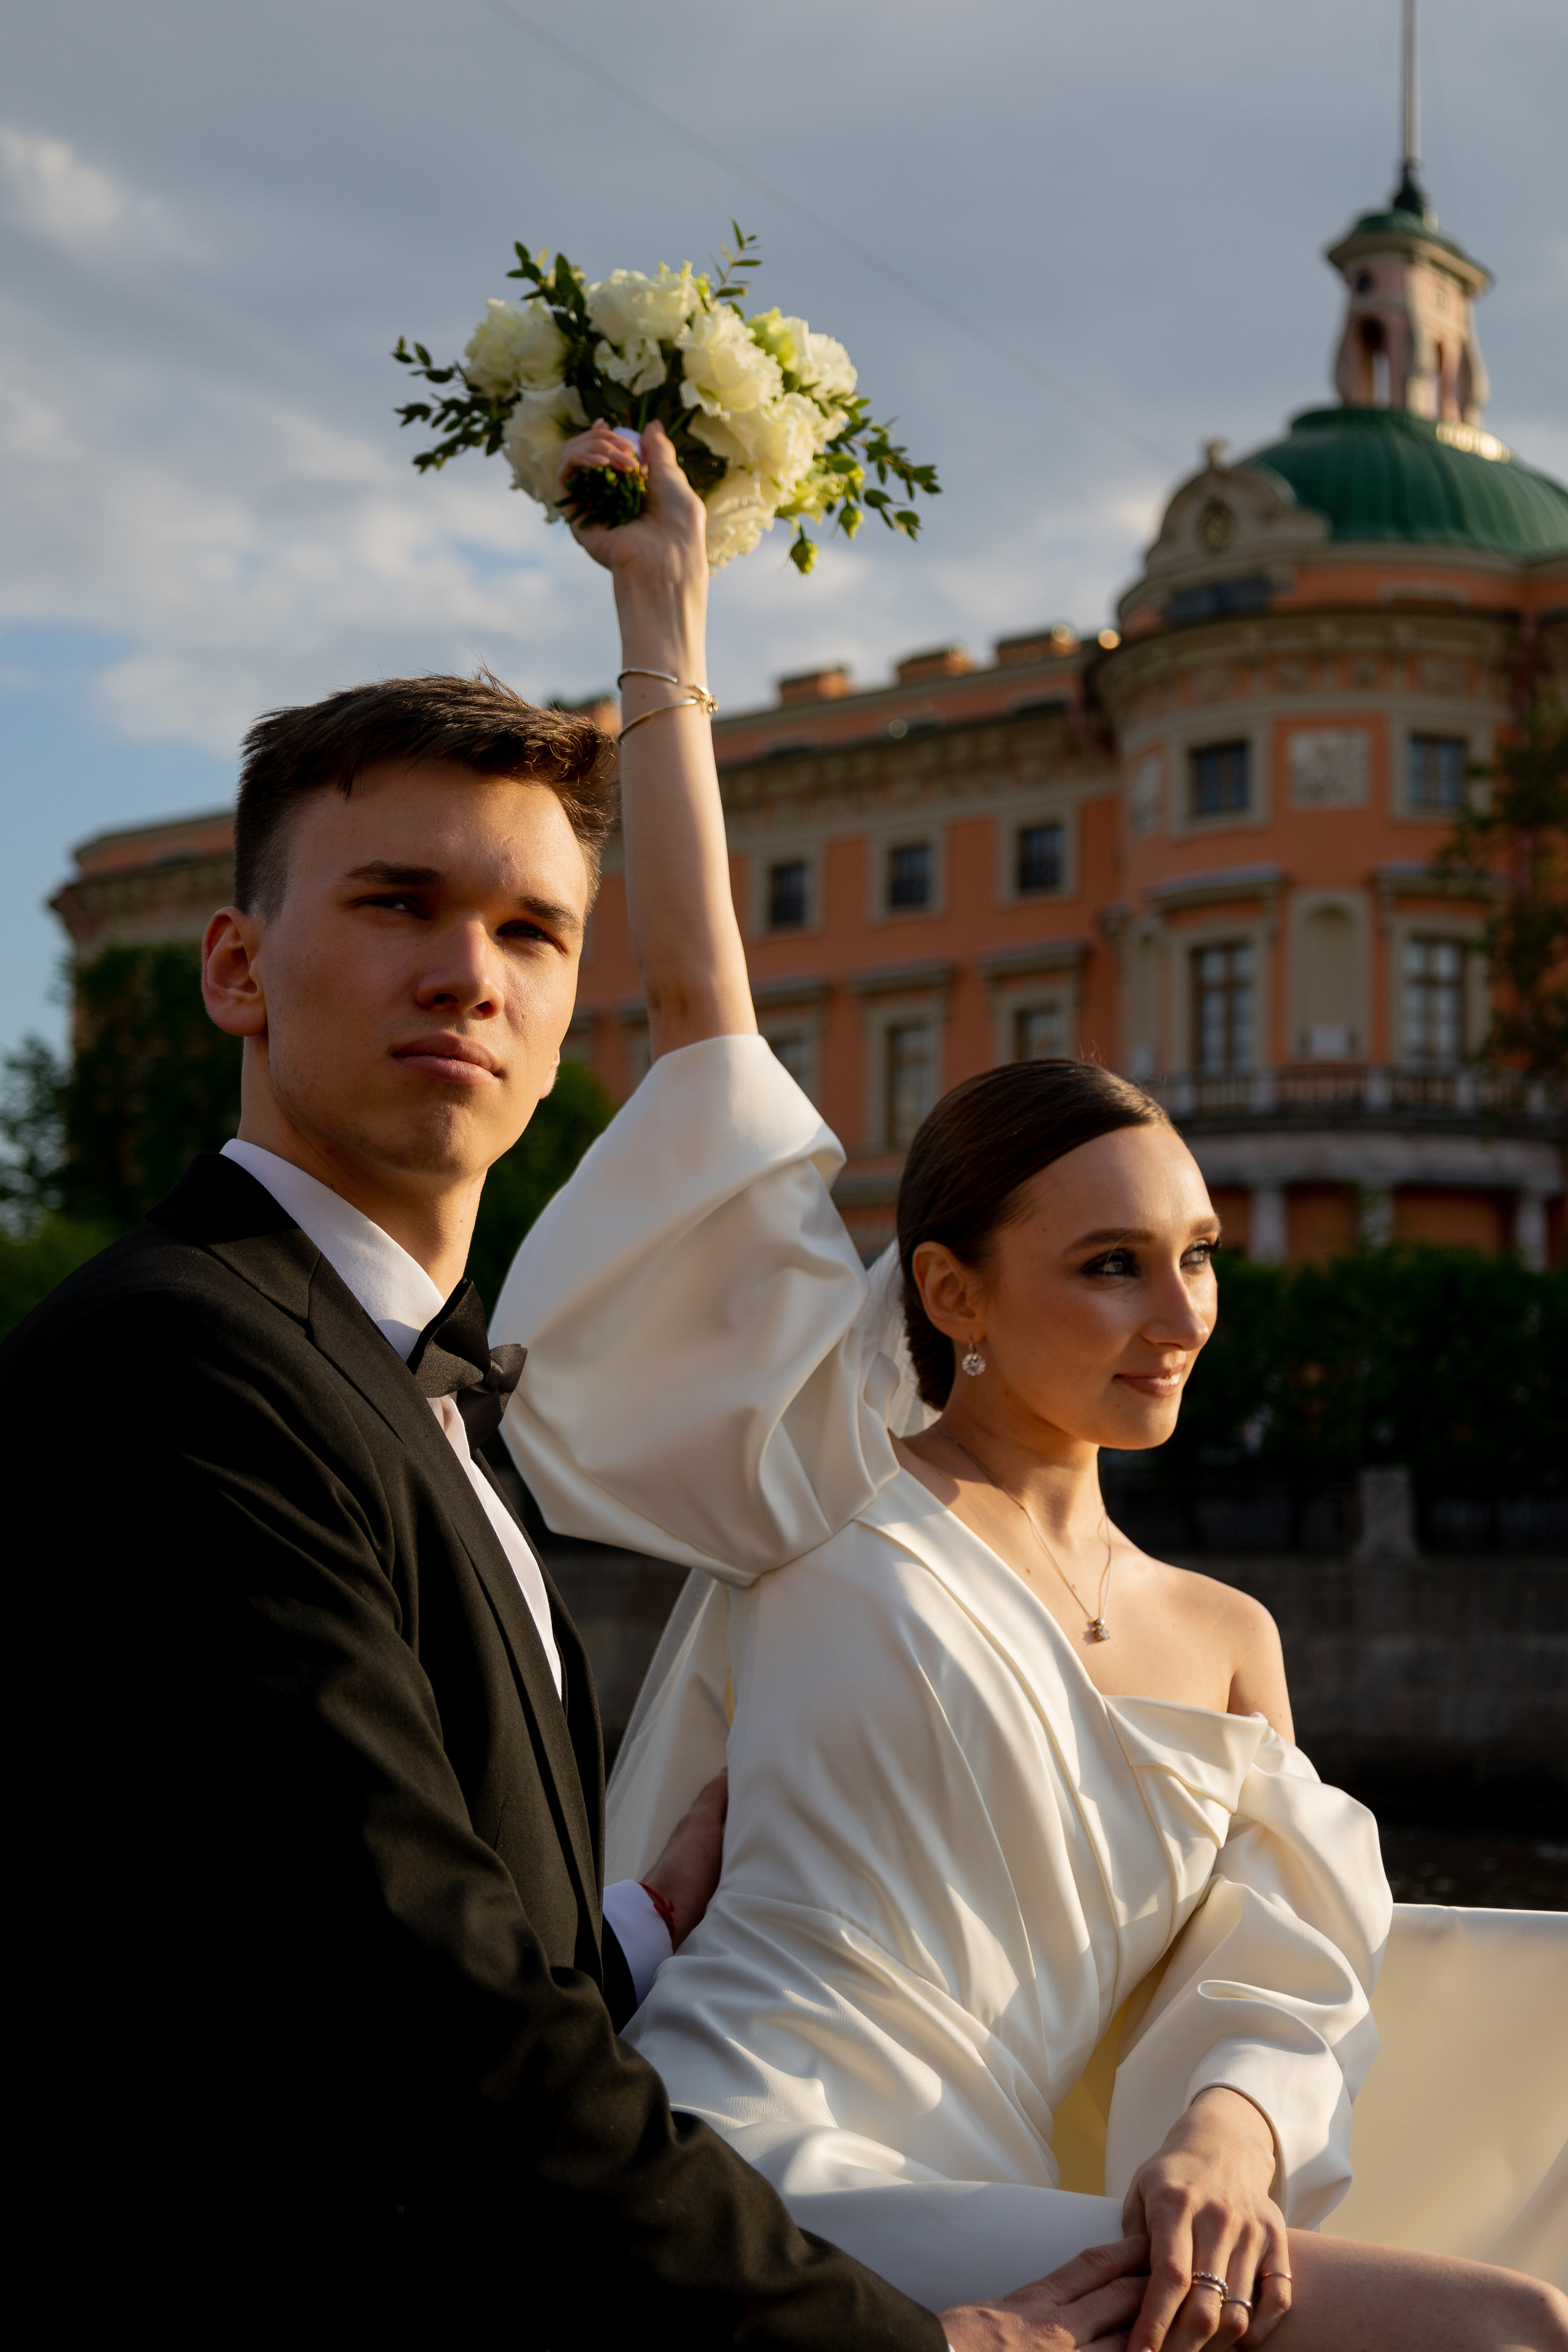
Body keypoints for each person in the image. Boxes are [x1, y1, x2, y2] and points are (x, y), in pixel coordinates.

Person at [5, 456, 1168, 2351]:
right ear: (236, 966)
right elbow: (424, 2021)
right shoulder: (188, 1361)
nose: (467, 972)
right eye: (397, 904)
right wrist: (913, 2347)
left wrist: (636, 1929)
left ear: (567, 1026)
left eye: (534, 933)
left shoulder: (416, 1393)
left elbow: (398, 1944)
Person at [492, 418, 1568, 2352]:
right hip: (751, 2170)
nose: (1179, 1313)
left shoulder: (1229, 1634)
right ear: (947, 1294)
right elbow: (709, 1041)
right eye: (1109, 1265)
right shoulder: (823, 1477)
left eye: (1200, 1260)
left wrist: (1231, 2143)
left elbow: (1280, 1970)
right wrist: (665, 618)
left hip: (1028, 2206)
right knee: (1498, 2334)